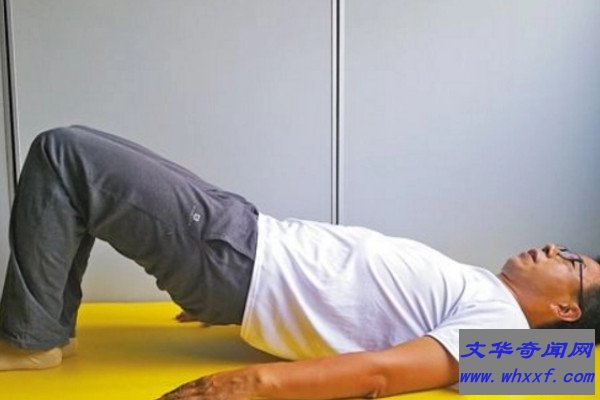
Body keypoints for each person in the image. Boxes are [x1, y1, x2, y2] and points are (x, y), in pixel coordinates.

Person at [0, 125, 598, 400]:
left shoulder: (500, 324)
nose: (554, 248)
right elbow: (369, 314)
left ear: (566, 310)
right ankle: (48, 328)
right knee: (77, 161)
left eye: (572, 261)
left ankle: (34, 339)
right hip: (246, 241)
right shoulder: (488, 297)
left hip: (237, 259)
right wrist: (261, 316)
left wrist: (249, 385)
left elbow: (382, 374)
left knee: (64, 153)